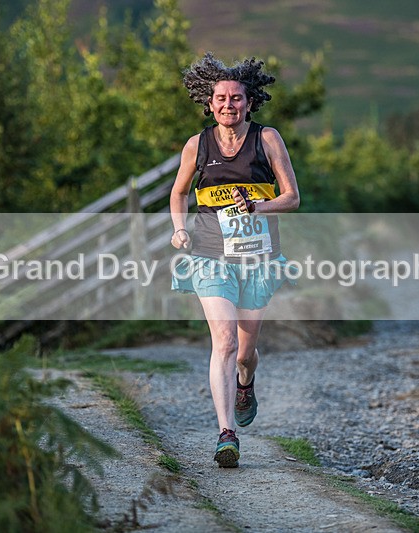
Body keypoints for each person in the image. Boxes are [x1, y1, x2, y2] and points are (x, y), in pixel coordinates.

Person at [169, 53, 300, 468]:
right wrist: (179, 227)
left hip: (257, 256)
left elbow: (293, 197)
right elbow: (179, 194)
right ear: (209, 103)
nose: (229, 105)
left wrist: (258, 209)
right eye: (221, 99)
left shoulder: (267, 139)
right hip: (210, 254)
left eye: (237, 99)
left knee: (244, 351)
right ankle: (227, 434)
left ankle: (246, 381)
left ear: (249, 102)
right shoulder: (197, 144)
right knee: (223, 340)